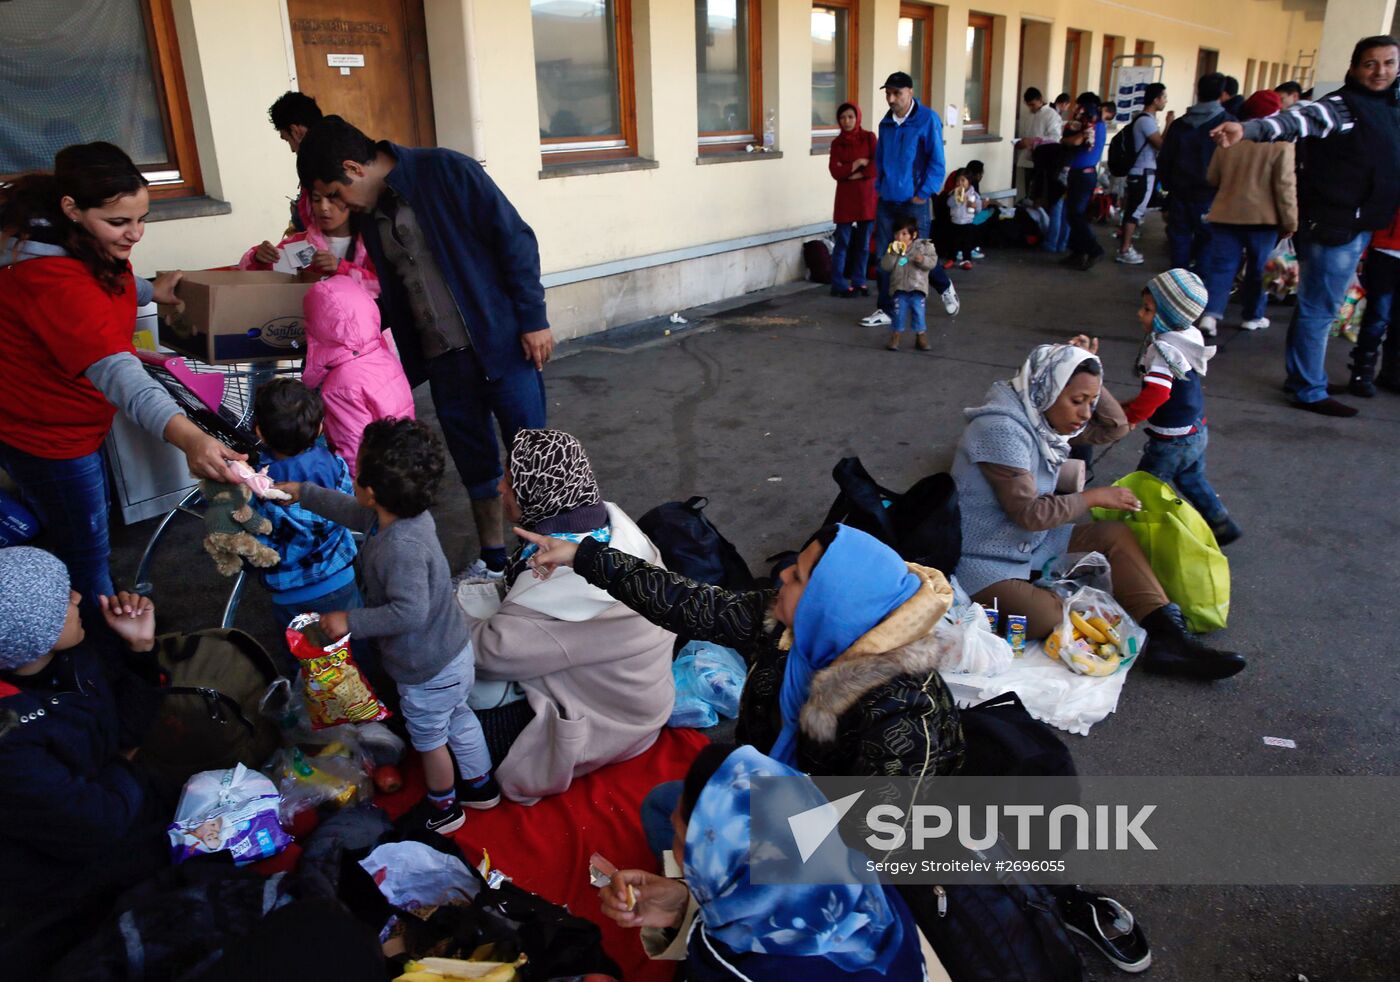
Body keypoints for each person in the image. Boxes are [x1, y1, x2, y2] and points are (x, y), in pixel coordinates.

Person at [296, 116, 553, 579]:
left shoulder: (447, 171)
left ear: (354, 167)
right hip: (446, 360)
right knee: (474, 464)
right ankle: (493, 562)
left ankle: (546, 560)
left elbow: (514, 239)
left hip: (504, 344)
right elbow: (393, 292)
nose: (334, 206)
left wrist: (533, 319)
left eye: (334, 192)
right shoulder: (371, 218)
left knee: (531, 456)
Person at [0, 143, 243, 608]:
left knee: (84, 524)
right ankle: (97, 649)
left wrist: (153, 289)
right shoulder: (48, 277)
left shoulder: (80, 238)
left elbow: (110, 278)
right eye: (119, 223)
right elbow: (119, 372)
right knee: (87, 551)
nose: (135, 235)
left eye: (142, 219)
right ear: (71, 208)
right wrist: (192, 440)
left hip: (74, 419)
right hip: (46, 435)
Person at [952, 338, 1247, 679]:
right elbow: (1029, 514)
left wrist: (1089, 367)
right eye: (1077, 401)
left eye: (1091, 402)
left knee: (1114, 536)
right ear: (1046, 389)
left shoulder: (1041, 419)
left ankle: (1171, 641)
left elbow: (1115, 427)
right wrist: (1092, 498)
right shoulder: (1000, 429)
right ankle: (1047, 594)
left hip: (1028, 544)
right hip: (985, 559)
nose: (1085, 414)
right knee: (1048, 617)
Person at [273, 418, 500, 834]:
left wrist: (349, 621)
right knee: (459, 718)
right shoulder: (397, 517)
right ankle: (482, 786)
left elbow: (407, 613)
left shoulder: (401, 546)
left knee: (430, 740)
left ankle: (445, 807)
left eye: (356, 473)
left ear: (372, 490)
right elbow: (350, 511)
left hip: (426, 668)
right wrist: (304, 494)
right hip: (453, 655)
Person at [598, 744, 932, 980]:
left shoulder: (734, 966)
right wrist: (682, 905)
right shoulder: (858, 872)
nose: (677, 846)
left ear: (733, 871)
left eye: (684, 841)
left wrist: (694, 924)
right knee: (662, 801)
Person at [467, 429, 675, 804]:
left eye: (511, 481)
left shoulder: (559, 584)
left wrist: (443, 613)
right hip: (645, 702)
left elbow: (485, 654)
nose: (500, 488)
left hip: (618, 727)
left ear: (537, 491)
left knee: (462, 691)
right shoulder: (616, 528)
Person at [0, 548, 169, 976]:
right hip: (71, 888)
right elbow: (98, 823)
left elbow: (126, 732)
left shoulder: (67, 657)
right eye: (61, 598)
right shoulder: (10, 742)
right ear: (29, 634)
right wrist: (125, 765)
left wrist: (140, 649)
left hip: (123, 802)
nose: (77, 597)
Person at [1212, 36, 1400, 417]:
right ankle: (1308, 388)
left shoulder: (1387, 107)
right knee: (1319, 308)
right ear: (1353, 67)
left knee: (1320, 307)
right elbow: (1294, 119)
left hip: (1356, 223)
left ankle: (1306, 377)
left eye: (1389, 63)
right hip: (1335, 226)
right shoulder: (1341, 108)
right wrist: (1247, 130)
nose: (1380, 71)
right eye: (1370, 63)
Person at [1120, 270, 1242, 545]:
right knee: (1191, 478)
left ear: (1169, 316)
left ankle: (1131, 535)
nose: (1140, 314)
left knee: (1145, 486)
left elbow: (1158, 393)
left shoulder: (1165, 350)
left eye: (1148, 309)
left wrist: (1130, 417)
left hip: (1172, 439)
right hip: (1195, 430)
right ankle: (1221, 523)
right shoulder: (1188, 334)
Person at [248, 378, 360, 635]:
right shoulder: (337, 465)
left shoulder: (258, 485)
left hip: (287, 591)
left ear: (259, 432)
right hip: (340, 578)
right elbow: (347, 509)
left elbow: (256, 535)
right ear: (320, 427)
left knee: (305, 661)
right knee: (354, 652)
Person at [860, 71, 960, 328]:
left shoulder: (927, 120)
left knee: (917, 256)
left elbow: (937, 161)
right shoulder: (886, 122)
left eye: (897, 93)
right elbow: (880, 158)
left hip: (914, 201)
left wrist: (923, 193)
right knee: (887, 256)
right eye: (888, 94)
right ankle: (885, 309)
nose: (892, 99)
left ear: (910, 92)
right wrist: (880, 185)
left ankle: (944, 285)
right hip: (887, 200)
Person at [1197, 90, 1297, 335]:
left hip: (1225, 214)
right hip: (1263, 219)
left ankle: (1210, 316)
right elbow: (1285, 187)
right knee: (1258, 269)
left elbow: (1212, 177)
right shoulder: (1282, 145)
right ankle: (1252, 315)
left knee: (1222, 267)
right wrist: (1290, 222)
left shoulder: (1228, 142)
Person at [300, 276, 415, 474]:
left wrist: (355, 493)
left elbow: (353, 449)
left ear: (318, 326)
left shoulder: (339, 384)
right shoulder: (384, 355)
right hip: (403, 466)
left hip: (375, 483)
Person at [239, 184, 380, 298]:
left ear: (352, 201)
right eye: (317, 199)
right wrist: (258, 258)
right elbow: (253, 279)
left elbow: (385, 288)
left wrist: (341, 268)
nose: (323, 207)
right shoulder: (297, 244)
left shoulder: (373, 245)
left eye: (332, 199)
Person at [1156, 73, 1233, 280]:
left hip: (1180, 194)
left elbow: (1164, 160)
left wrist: (1169, 187)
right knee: (1207, 244)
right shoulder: (1227, 125)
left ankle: (1177, 291)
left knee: (1179, 243)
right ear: (1222, 94)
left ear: (1197, 91)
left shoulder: (1180, 125)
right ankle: (1200, 295)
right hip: (1211, 196)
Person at [827, 102, 878, 299]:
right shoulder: (837, 143)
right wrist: (858, 163)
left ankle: (859, 281)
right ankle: (838, 283)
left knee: (864, 244)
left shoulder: (868, 138)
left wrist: (851, 173)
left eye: (850, 117)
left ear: (857, 117)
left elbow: (876, 166)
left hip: (866, 198)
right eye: (842, 118)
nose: (847, 121)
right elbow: (835, 171)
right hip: (845, 199)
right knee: (843, 243)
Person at [1116, 83, 1170, 266]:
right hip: (1142, 171)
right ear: (1156, 99)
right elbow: (1161, 145)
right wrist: (1170, 124)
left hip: (1139, 171)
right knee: (1135, 211)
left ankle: (1125, 245)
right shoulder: (1146, 120)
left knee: (1132, 209)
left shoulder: (1144, 119)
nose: (1165, 101)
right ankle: (1125, 248)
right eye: (1163, 97)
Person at [1349, 206, 1400, 396]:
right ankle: (1362, 374)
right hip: (1383, 252)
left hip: (1384, 249)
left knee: (1394, 320)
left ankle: (1391, 374)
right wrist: (1361, 254)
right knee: (1378, 316)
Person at [1060, 92, 1108, 270]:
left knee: (1075, 214)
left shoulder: (1092, 124)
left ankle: (1094, 249)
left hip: (1083, 174)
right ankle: (1078, 251)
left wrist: (1065, 140)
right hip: (1082, 173)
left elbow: (1077, 141)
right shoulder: (1098, 123)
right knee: (1072, 214)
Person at [878, 214, 939, 351]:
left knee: (918, 311)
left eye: (904, 234)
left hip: (917, 287)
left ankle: (921, 335)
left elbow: (932, 262)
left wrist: (922, 260)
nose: (900, 237)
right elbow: (885, 266)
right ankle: (896, 336)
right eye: (897, 233)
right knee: (898, 312)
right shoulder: (893, 249)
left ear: (914, 235)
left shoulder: (924, 247)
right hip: (899, 287)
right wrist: (892, 254)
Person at [267, 90, 323, 233]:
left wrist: (298, 213)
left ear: (296, 131)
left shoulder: (320, 164)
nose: (292, 150)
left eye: (287, 140)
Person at [1016, 87, 1064, 199]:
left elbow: (1055, 138)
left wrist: (1034, 142)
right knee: (1028, 194)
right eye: (1028, 105)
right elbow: (1025, 135)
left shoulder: (1051, 115)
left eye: (1032, 104)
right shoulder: (1028, 115)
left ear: (1040, 100)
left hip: (1043, 162)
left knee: (1039, 195)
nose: (1030, 108)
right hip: (1027, 160)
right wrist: (1021, 143)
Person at [943, 171, 981, 268]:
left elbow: (978, 209)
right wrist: (957, 199)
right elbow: (949, 204)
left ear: (969, 182)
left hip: (967, 222)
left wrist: (974, 206)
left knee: (967, 243)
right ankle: (951, 259)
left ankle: (966, 260)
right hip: (955, 221)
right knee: (953, 242)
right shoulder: (953, 192)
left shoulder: (974, 194)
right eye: (958, 180)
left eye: (963, 180)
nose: (960, 183)